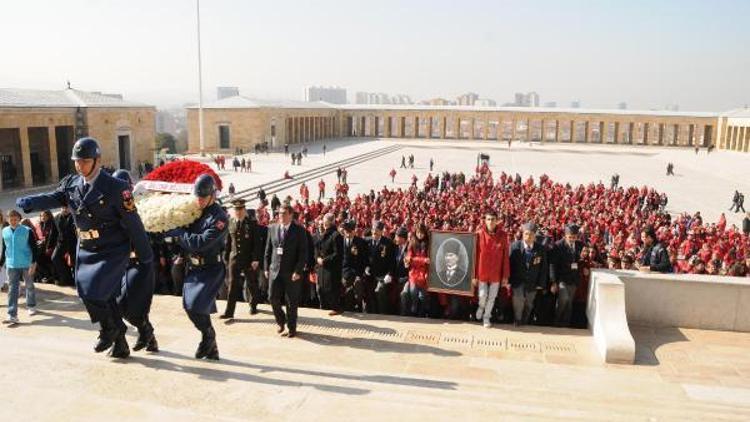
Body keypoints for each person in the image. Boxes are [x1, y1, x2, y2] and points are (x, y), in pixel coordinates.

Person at [16, 137, 153, 359]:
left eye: (85, 161)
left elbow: (133, 222)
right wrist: (32, 202)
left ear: (97, 160)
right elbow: (55, 197)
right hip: (87, 247)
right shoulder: (72, 183)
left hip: (111, 247)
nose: (80, 166)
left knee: (94, 291)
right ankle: (119, 342)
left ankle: (108, 329)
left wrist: (145, 254)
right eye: (76, 161)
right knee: (90, 292)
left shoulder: (116, 187)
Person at [165, 174, 228, 360]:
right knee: (190, 306)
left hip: (211, 268)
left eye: (202, 197)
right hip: (193, 267)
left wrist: (179, 235)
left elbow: (200, 242)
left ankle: (208, 336)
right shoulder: (194, 211)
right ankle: (211, 343)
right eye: (197, 197)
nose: (199, 201)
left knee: (196, 304)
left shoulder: (220, 218)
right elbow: (183, 234)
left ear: (212, 196)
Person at [112, 169, 159, 353]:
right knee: (124, 305)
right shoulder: (113, 210)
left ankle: (146, 331)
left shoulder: (139, 208)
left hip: (140, 262)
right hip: (122, 263)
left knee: (129, 304)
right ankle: (149, 337)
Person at [264, 203, 308, 337]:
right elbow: (268, 250)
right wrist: (266, 268)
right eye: (279, 213)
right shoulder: (272, 228)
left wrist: (298, 271)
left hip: (291, 272)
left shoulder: (299, 231)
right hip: (275, 270)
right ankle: (281, 320)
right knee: (272, 298)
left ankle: (292, 328)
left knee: (291, 302)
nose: (280, 216)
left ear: (291, 215)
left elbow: (303, 253)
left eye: (283, 213)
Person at [221, 199, 262, 319]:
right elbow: (228, 241)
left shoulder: (252, 224)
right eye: (236, 210)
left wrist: (255, 259)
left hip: (248, 259)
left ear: (244, 210)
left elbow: (257, 244)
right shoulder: (231, 223)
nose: (238, 212)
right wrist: (226, 255)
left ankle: (253, 305)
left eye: (240, 209)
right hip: (234, 258)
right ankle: (229, 312)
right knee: (232, 285)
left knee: (251, 283)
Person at [1, 210, 38, 325]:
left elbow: (34, 248)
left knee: (29, 285)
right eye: (11, 219)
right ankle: (12, 315)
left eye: (15, 219)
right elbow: (4, 248)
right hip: (11, 264)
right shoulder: (4, 231)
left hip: (26, 263)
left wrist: (33, 263)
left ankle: (31, 305)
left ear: (19, 219)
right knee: (12, 290)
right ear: (8, 219)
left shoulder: (27, 231)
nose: (13, 221)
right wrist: (1, 263)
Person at [474, 210, 510, 328]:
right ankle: (481, 307)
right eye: (488, 219)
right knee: (483, 295)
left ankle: (486, 317)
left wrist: (505, 276)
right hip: (482, 272)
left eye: (493, 219)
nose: (490, 222)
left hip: (496, 273)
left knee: (492, 297)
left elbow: (505, 257)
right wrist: (473, 275)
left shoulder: (503, 236)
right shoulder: (479, 234)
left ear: (497, 221)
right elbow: (474, 255)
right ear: (485, 220)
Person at [508, 222, 549, 326]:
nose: (528, 236)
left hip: (532, 282)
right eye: (526, 233)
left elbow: (543, 268)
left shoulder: (541, 249)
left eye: (531, 234)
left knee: (529, 304)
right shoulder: (515, 246)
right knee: (518, 300)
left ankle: (525, 320)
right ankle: (517, 319)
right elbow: (509, 264)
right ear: (522, 234)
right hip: (518, 280)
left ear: (535, 235)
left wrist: (541, 283)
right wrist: (508, 280)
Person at [549, 224, 584, 327]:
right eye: (570, 237)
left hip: (573, 279)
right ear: (565, 235)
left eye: (574, 237)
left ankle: (565, 324)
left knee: (569, 303)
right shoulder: (558, 245)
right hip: (562, 278)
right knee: (563, 299)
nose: (572, 239)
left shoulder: (580, 245)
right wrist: (553, 281)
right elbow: (552, 264)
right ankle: (557, 321)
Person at [315, 213, 343, 315]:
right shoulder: (324, 233)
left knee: (331, 288)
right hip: (322, 266)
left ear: (330, 222)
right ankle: (324, 307)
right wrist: (317, 257)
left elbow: (338, 254)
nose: (323, 223)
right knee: (321, 289)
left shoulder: (336, 235)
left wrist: (325, 260)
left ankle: (336, 308)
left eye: (325, 221)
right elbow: (318, 247)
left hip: (331, 267)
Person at [366, 220, 395, 314]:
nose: (374, 233)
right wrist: (366, 267)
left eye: (377, 231)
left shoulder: (388, 243)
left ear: (381, 232)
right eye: (373, 231)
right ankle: (372, 313)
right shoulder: (367, 241)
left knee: (380, 290)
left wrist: (389, 274)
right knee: (369, 293)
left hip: (383, 275)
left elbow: (392, 261)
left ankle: (383, 313)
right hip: (370, 274)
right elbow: (364, 257)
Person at [401, 224, 430, 317]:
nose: (420, 235)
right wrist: (422, 260)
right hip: (414, 272)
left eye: (422, 233)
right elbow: (410, 259)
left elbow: (429, 259)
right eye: (418, 233)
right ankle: (414, 306)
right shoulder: (412, 243)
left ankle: (421, 312)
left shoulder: (428, 243)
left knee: (423, 295)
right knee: (413, 291)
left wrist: (416, 260)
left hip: (425, 272)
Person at [341, 219, 369, 312]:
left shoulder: (361, 242)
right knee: (347, 290)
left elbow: (364, 261)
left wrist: (358, 275)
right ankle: (348, 309)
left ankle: (359, 307)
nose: (347, 233)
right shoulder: (340, 241)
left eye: (349, 231)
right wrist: (343, 275)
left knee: (358, 286)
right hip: (344, 272)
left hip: (357, 272)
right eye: (346, 231)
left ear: (354, 231)